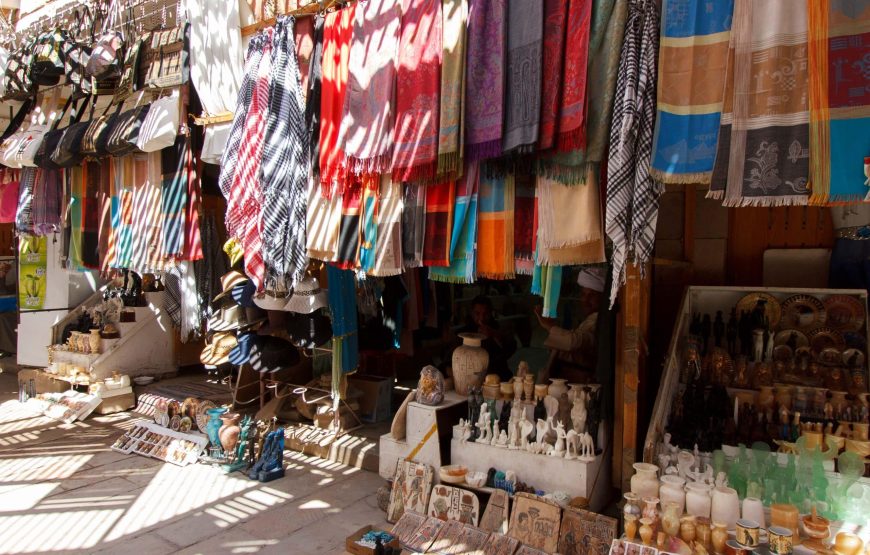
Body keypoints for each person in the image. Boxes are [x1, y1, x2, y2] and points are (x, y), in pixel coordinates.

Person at [535, 267, 604, 384]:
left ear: (602, 298)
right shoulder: (589, 319)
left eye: (592, 295)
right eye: (583, 294)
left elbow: (574, 341)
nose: (585, 300)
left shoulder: (599, 320)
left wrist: (549, 326)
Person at [457, 295, 517, 382]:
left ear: (491, 313)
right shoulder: (464, 332)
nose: (481, 318)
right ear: (472, 313)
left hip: (497, 375)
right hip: (471, 377)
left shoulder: (497, 328)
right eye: (477, 314)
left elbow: (511, 348)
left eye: (486, 314)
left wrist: (494, 334)